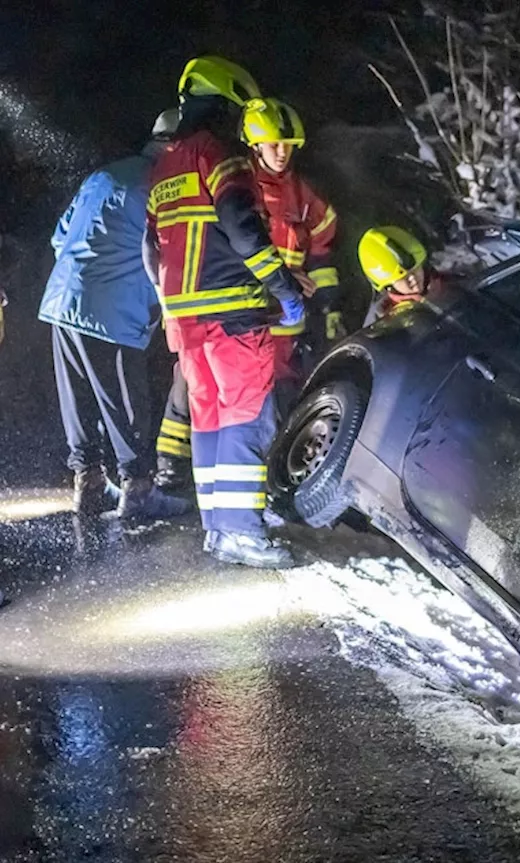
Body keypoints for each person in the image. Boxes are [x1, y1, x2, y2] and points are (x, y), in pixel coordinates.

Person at [144, 56, 306, 568]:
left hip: (184, 322)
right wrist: (283, 288)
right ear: (227, 104)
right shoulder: (223, 157)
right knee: (246, 419)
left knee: (209, 420)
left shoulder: (166, 165)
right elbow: (243, 231)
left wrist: (173, 301)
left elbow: (150, 247)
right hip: (234, 315)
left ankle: (218, 528)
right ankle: (241, 532)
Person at [37, 111, 192, 520]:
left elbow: (60, 237)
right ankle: (138, 489)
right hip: (113, 311)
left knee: (79, 399)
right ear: (176, 145)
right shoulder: (164, 185)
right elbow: (169, 254)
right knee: (124, 402)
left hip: (63, 300)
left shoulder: (103, 175)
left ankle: (87, 484)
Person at [240, 97, 342, 413]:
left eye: (288, 145)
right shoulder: (240, 188)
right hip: (250, 320)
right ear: (256, 146)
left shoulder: (303, 194)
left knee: (289, 401)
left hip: (291, 327)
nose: (283, 152)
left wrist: (328, 308)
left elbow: (321, 251)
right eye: (274, 145)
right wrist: (284, 277)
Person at [358, 225, 442, 325]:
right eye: (403, 277)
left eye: (415, 269)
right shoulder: (383, 320)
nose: (413, 278)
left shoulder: (451, 280)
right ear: (388, 286)